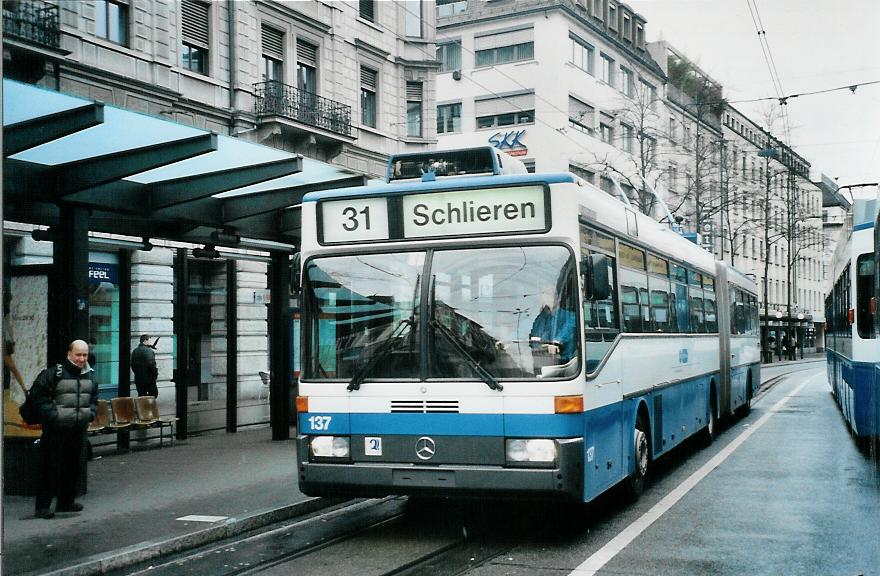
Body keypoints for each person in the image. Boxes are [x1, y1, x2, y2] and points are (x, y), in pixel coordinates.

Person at [30, 339, 98, 519]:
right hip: (56, 429)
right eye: (78, 354)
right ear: (69, 354)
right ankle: (43, 507)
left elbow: (93, 399)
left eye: (85, 355)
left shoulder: (89, 376)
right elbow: (37, 396)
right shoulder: (55, 373)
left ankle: (65, 503)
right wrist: (53, 415)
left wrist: (90, 413)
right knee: (50, 468)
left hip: (78, 428)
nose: (82, 359)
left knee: (72, 467)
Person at [529, 284, 576, 364]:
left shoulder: (570, 316)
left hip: (563, 363)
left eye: (549, 294)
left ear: (557, 297)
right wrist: (506, 338)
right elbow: (530, 333)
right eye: (543, 294)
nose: (546, 297)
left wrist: (556, 342)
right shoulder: (540, 318)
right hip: (540, 360)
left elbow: (567, 332)